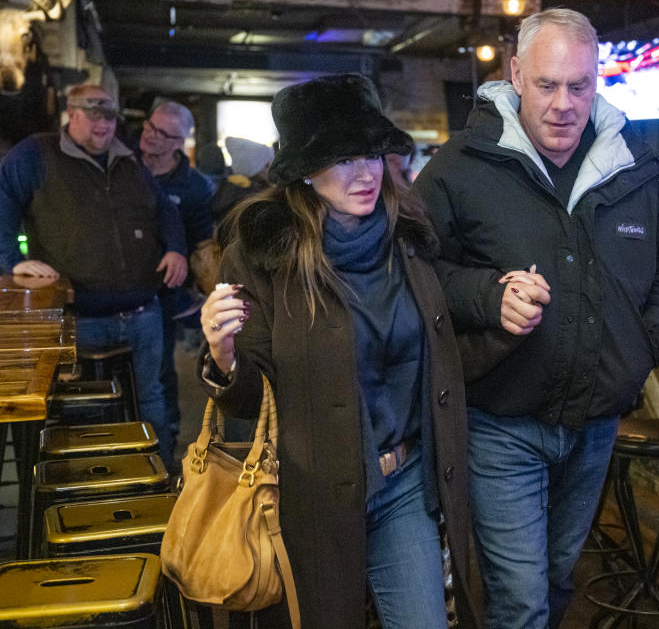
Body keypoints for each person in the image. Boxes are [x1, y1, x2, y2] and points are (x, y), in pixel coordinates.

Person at [411, 8, 659, 629]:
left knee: (560, 577)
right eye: (546, 85)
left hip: (595, 423)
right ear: (515, 75)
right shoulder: (460, 167)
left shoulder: (636, 167)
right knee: (520, 600)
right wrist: (488, 295)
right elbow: (416, 272)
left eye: (580, 86)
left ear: (598, 82)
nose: (564, 104)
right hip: (501, 420)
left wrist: (648, 342)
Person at [198, 74, 479, 629]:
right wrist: (224, 356)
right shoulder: (262, 255)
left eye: (373, 155)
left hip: (403, 481)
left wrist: (501, 296)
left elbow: (449, 335)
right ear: (305, 168)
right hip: (311, 494)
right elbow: (251, 400)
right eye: (344, 159)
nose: (367, 173)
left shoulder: (410, 238)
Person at [0, 84, 188, 467]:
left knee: (151, 399)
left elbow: (165, 209)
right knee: (80, 411)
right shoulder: (37, 153)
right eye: (94, 115)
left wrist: (175, 248)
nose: (104, 125)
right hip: (77, 316)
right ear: (72, 112)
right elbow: (2, 200)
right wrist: (11, 260)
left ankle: (160, 484)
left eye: (110, 117)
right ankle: (85, 490)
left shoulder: (130, 159)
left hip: (143, 311)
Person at [139, 99, 215, 464]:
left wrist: (205, 290)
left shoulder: (196, 187)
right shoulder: (123, 166)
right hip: (119, 288)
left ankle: (164, 454)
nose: (150, 137)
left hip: (166, 293)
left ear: (179, 142)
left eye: (163, 134)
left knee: (159, 374)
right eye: (149, 127)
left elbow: (203, 245)